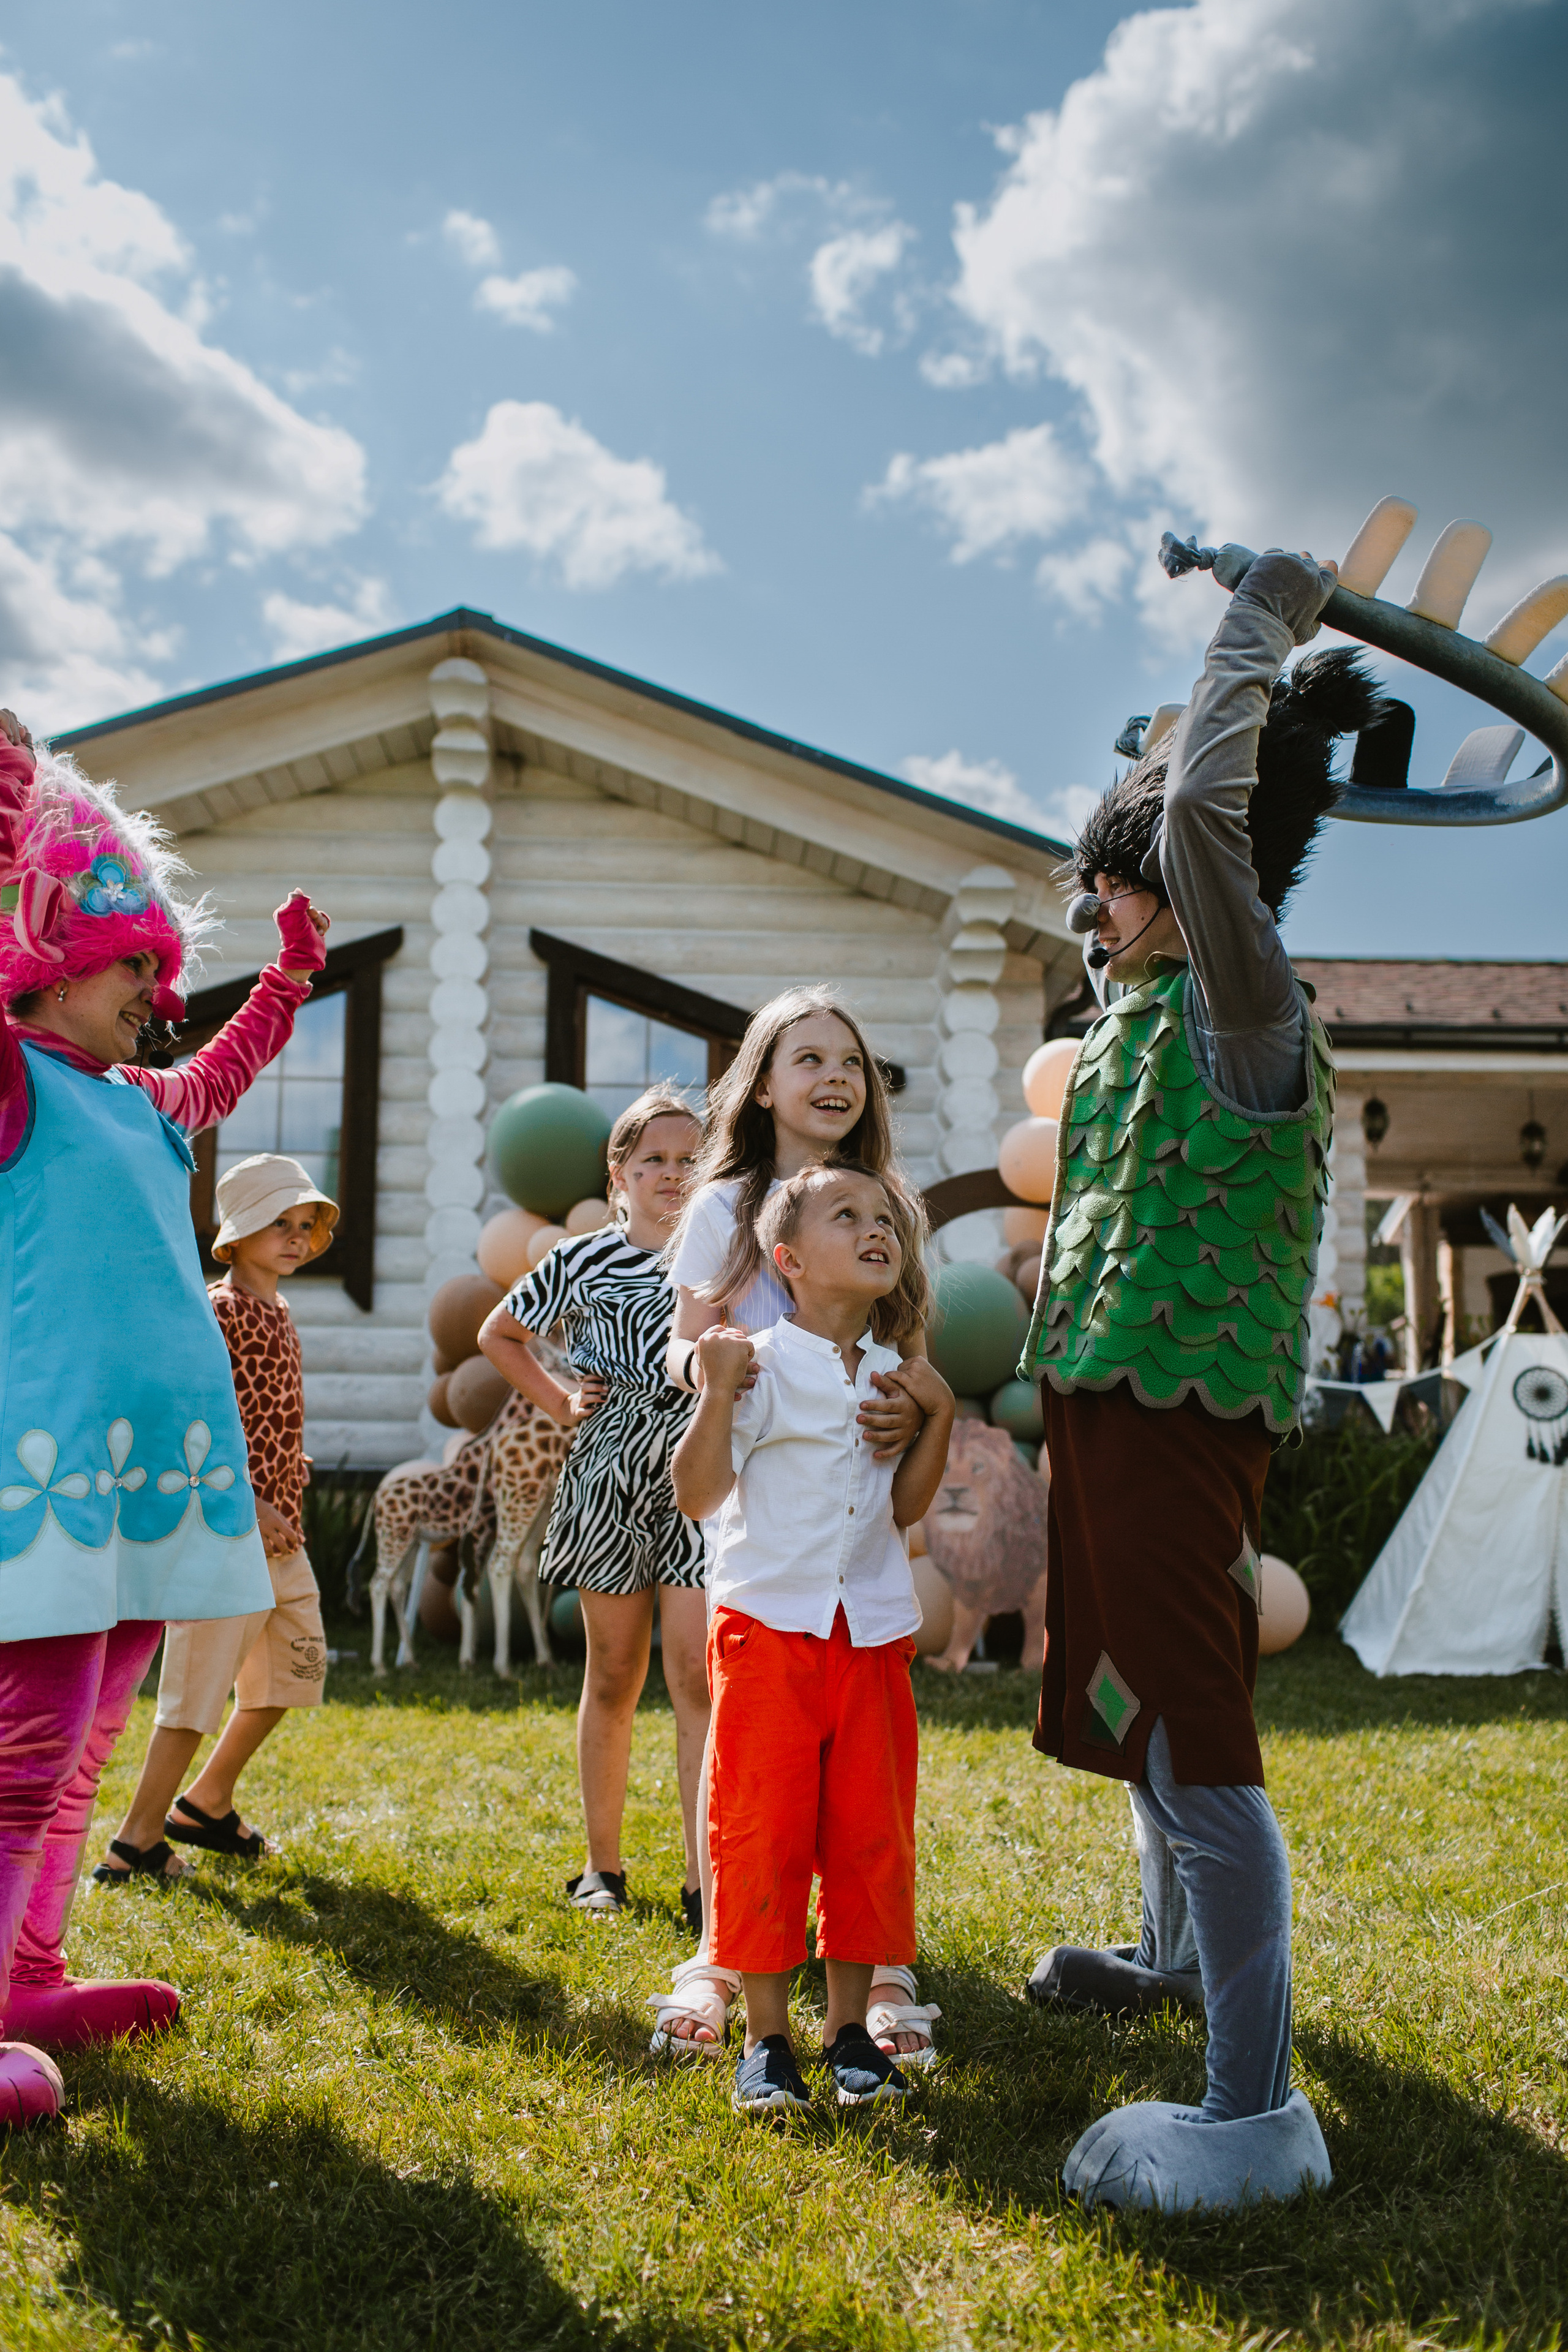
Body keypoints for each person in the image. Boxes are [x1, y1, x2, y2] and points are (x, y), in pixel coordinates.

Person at [1021, 549, 1379, 2211]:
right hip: (1112, 1399)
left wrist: (1253, 636)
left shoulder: (1242, 1002)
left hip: (1182, 1408)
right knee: (1141, 1697)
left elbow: (1201, 829)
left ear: (1171, 888)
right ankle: (1177, 1960)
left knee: (1204, 1734)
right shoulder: (1134, 1022)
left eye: (1115, 884)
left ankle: (1255, 2107)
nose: (1096, 910)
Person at [0, 709, 328, 2119]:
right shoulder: (11, 1082)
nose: (156, 985)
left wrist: (290, 985)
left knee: (93, 1726)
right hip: (51, 1459)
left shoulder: (138, 1100)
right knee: (35, 1718)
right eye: (131, 962)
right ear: (48, 958)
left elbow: (225, 1071)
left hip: (157, 1473)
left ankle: (29, 1968)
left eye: (160, 964)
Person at [647, 987, 940, 2067]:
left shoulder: (878, 1203)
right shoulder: (725, 1205)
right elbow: (685, 1341)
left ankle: (877, 1970)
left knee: (862, 1766)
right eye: (808, 1056)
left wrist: (913, 1406)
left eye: (852, 1062)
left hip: (853, 1513)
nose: (834, 1077)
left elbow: (907, 1338)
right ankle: (730, 1959)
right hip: (749, 1488)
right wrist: (726, 1376)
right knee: (750, 1751)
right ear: (762, 1083)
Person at [478, 1089, 709, 1923]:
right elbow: (498, 1335)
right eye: (654, 1160)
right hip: (608, 1471)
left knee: (696, 1674)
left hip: (699, 1471)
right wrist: (557, 1401)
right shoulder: (583, 1259)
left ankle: (703, 1878)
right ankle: (601, 1869)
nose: (672, 1175)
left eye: (689, 1160)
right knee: (613, 1671)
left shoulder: (722, 1258)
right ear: (620, 1171)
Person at [95, 1155, 337, 1880]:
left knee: (297, 1668)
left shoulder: (280, 1309)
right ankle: (133, 1843)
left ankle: (205, 1803)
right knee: (195, 1694)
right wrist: (249, 1501)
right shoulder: (218, 1311)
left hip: (280, 1533)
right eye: (277, 1225)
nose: (294, 1238)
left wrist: (286, 1493)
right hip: (221, 1531)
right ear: (236, 1237)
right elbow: (187, 1415)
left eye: (304, 1226)